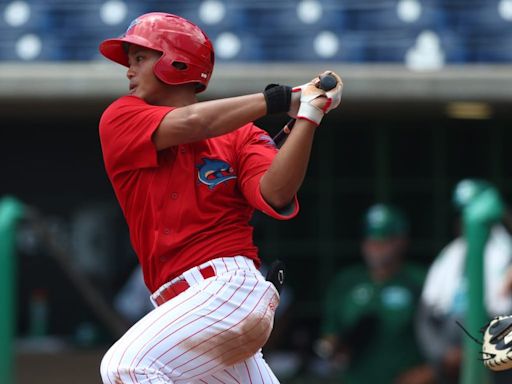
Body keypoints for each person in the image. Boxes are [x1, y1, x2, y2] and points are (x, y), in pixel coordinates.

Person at [97, 12, 342, 384]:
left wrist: (309, 115)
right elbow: (193, 123)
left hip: (228, 289)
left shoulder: (242, 136)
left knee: (126, 366)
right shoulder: (121, 116)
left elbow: (276, 192)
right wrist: (278, 100)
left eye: (140, 58)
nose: (129, 71)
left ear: (176, 62)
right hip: (184, 311)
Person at [317, 204, 433, 384]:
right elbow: (329, 336)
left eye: (384, 240)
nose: (375, 247)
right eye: (370, 239)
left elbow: (444, 337)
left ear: (401, 241)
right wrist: (335, 348)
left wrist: (426, 373)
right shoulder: (346, 282)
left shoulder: (421, 281)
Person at [417, 179, 512, 383]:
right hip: (450, 361)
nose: (463, 220)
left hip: (498, 367)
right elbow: (425, 317)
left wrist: (475, 352)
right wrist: (442, 354)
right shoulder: (450, 256)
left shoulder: (507, 254)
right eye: (460, 214)